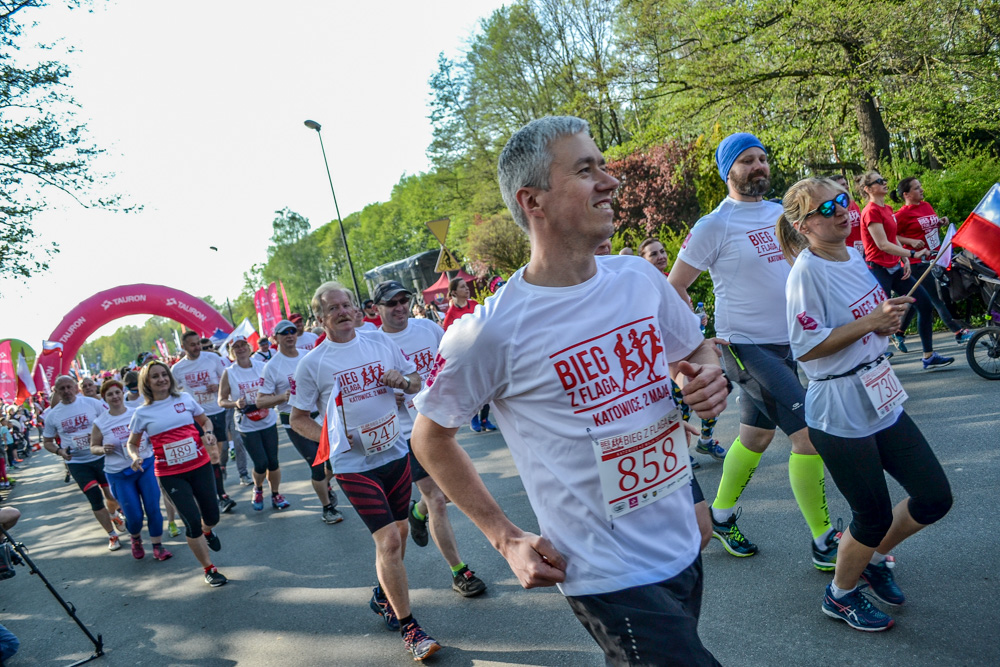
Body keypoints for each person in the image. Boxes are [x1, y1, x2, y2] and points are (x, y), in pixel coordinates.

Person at [412, 116, 728, 666]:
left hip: (680, 540)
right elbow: (430, 437)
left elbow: (695, 350)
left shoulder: (638, 279)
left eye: (603, 166)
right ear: (533, 200)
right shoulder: (489, 331)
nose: (610, 181)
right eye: (586, 169)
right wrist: (505, 538)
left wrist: (703, 379)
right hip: (604, 571)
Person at [776, 177, 953, 631]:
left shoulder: (854, 254)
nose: (841, 210)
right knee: (870, 515)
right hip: (838, 406)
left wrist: (886, 320)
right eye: (826, 207)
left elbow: (864, 323)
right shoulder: (806, 273)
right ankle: (841, 594)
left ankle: (869, 560)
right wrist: (871, 321)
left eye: (843, 200)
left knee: (934, 496)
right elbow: (806, 347)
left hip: (880, 391)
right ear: (803, 224)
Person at [669, 132, 837, 567]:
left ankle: (721, 515)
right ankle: (824, 541)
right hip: (743, 345)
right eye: (747, 161)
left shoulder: (783, 214)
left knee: (756, 437)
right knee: (809, 435)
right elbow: (673, 288)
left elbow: (808, 266)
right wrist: (695, 340)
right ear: (729, 171)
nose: (759, 166)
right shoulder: (714, 225)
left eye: (762, 158)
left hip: (790, 343)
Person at [290, 282, 440, 661]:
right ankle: (411, 629)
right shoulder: (313, 363)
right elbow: (297, 419)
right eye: (333, 308)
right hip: (354, 465)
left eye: (347, 305)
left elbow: (416, 381)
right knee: (388, 541)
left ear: (357, 310)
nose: (342, 312)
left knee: (402, 532)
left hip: (394, 452)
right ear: (321, 318)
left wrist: (402, 382)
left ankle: (382, 594)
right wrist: (334, 443)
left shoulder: (379, 343)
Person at [373, 280, 487, 598]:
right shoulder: (375, 344)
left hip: (440, 422)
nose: (399, 307)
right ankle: (459, 571)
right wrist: (387, 396)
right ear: (376, 308)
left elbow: (449, 361)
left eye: (403, 300)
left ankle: (418, 513)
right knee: (438, 497)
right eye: (391, 303)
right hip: (407, 432)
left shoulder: (427, 328)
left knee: (445, 494)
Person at [128, 361, 228, 587]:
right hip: (171, 474)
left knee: (212, 517)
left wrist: (209, 433)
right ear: (147, 382)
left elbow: (204, 420)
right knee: (191, 521)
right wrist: (135, 457)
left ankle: (207, 530)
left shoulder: (184, 399)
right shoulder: (142, 413)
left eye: (164, 374)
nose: (161, 379)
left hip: (200, 465)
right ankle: (209, 569)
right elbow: (132, 444)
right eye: (155, 376)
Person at [638, 237, 726, 465]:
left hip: (688, 357)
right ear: (642, 261)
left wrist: (698, 322)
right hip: (665, 364)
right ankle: (680, 452)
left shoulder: (672, 281)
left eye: (662, 251)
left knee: (711, 394)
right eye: (653, 254)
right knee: (681, 407)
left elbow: (683, 326)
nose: (661, 256)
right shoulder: (642, 288)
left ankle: (706, 440)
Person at [857, 171, 955, 370]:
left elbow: (893, 237)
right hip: (879, 269)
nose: (884, 182)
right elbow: (882, 244)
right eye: (878, 181)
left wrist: (904, 259)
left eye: (883, 179)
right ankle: (869, 360)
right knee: (878, 317)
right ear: (867, 189)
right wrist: (912, 254)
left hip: (896, 268)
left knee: (925, 305)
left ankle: (928, 355)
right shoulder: (871, 211)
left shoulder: (887, 208)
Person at [257, 319, 342, 524]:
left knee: (332, 463)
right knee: (316, 464)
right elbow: (260, 401)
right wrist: (282, 397)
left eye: (292, 331)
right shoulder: (271, 367)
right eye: (284, 333)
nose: (289, 335)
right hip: (293, 421)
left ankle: (325, 484)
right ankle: (327, 508)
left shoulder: (309, 357)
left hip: (319, 416)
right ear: (275, 338)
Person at [91, 380, 172, 561]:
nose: (115, 397)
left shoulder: (137, 413)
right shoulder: (100, 422)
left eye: (117, 392)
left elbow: (152, 434)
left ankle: (158, 546)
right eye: (110, 394)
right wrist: (102, 449)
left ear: (122, 393)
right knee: (134, 515)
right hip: (119, 473)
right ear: (104, 398)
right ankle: (135, 538)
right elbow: (93, 447)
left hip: (145, 465)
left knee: (153, 508)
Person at [42, 375, 125, 550]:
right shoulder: (53, 415)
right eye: (61, 389)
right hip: (77, 462)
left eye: (68, 387)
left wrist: (102, 439)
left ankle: (113, 512)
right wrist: (59, 451)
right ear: (56, 392)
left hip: (101, 457)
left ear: (75, 388)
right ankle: (112, 535)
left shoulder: (91, 403)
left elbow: (109, 420)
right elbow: (47, 442)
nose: (66, 391)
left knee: (110, 495)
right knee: (94, 499)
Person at [891, 177, 972, 345]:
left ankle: (898, 332)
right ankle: (958, 331)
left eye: (920, 187)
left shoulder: (926, 206)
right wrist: (911, 242)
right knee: (938, 298)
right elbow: (891, 235)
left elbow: (928, 226)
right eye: (917, 188)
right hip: (917, 263)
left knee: (914, 301)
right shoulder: (901, 215)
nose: (921, 190)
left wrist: (940, 222)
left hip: (935, 258)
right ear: (906, 194)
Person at [217, 336, 288, 511]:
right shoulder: (229, 372)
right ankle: (258, 488)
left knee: (273, 461)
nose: (240, 349)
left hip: (267, 419)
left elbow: (275, 389)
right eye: (236, 347)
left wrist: (273, 398)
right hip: (247, 423)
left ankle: (276, 494)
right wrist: (235, 404)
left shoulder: (262, 367)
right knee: (260, 463)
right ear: (232, 352)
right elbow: (221, 400)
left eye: (243, 346)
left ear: (249, 348)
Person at [171, 331, 237, 512]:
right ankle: (221, 495)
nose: (197, 347)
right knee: (213, 454)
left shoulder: (212, 359)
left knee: (220, 451)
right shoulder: (177, 369)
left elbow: (227, 379)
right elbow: (172, 393)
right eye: (192, 344)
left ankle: (214, 476)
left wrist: (217, 387)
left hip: (217, 411)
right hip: (196, 416)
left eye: (198, 343)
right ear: (183, 348)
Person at [441, 277, 496, 433]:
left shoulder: (475, 305)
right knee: (474, 389)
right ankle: (473, 419)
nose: (467, 289)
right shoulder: (451, 314)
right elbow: (449, 337)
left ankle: (485, 419)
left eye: (466, 286)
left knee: (487, 388)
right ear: (454, 292)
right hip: (467, 357)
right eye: (463, 287)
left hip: (483, 353)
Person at [830, 174, 864, 254]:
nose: (847, 187)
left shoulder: (852, 203)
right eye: (842, 185)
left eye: (846, 184)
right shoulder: (832, 208)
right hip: (845, 251)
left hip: (861, 250)